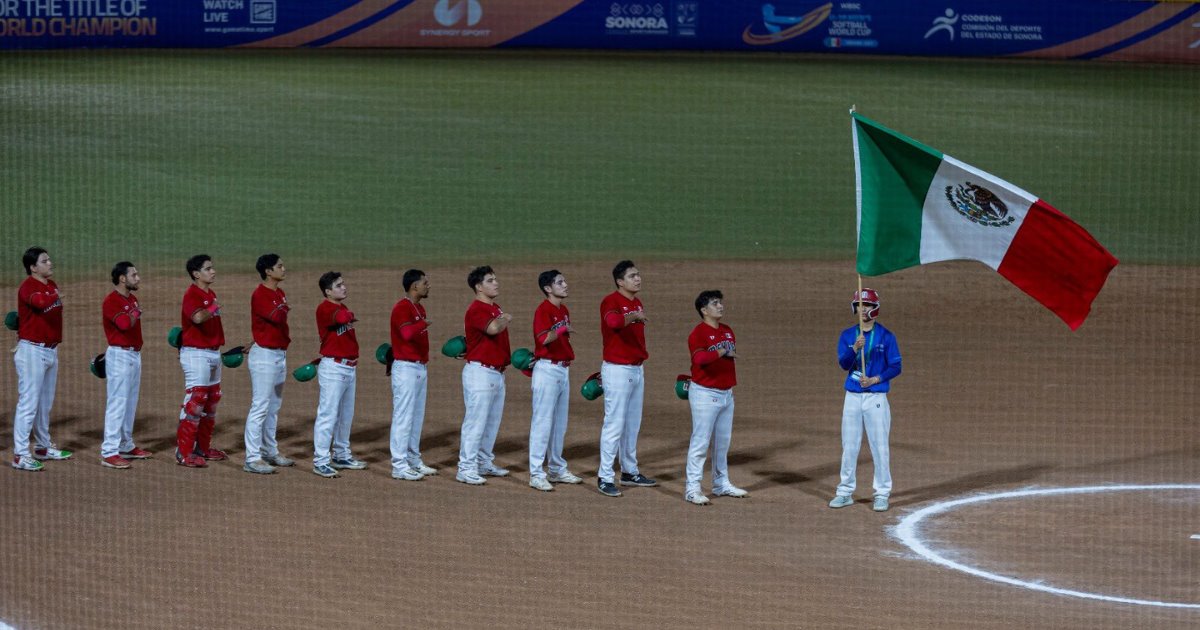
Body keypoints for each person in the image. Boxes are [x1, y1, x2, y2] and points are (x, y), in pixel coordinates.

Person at [829, 288, 901, 512]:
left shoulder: (886, 336)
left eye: (867, 305)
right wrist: (854, 349)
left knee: (879, 447)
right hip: (852, 396)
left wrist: (876, 379)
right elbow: (843, 364)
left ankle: (881, 493)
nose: (862, 309)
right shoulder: (848, 335)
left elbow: (896, 366)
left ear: (874, 308)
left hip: (876, 397)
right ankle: (844, 491)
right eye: (859, 305)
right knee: (849, 446)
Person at [596, 260, 656, 498]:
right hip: (618, 371)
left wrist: (633, 313)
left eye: (638, 274)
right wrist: (633, 316)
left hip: (635, 370)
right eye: (632, 276)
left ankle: (629, 471)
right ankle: (604, 476)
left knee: (632, 424)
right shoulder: (611, 301)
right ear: (620, 281)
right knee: (614, 424)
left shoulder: (635, 302)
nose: (638, 279)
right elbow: (612, 322)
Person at [683, 290, 749, 505]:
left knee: (722, 442)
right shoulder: (698, 333)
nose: (720, 306)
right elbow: (701, 358)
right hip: (704, 393)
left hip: (726, 393)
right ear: (704, 310)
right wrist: (721, 352)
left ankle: (721, 484)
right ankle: (692, 488)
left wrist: (722, 352)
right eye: (714, 303)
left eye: (720, 302)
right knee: (700, 442)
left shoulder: (728, 331)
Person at [11, 247, 69, 471]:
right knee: (28, 404)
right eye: (45, 261)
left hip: (50, 351)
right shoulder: (28, 287)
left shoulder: (51, 286)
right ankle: (20, 454)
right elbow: (40, 303)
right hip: (32, 352)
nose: (50, 263)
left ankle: (43, 447)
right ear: (33, 267)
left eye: (49, 259)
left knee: (44, 403)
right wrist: (54, 296)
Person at [455, 265, 512, 486]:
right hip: (480, 373)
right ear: (479, 287)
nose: (496, 283)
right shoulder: (477, 309)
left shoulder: (494, 307)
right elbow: (493, 329)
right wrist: (506, 317)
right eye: (490, 280)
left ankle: (483, 461)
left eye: (495, 279)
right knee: (475, 422)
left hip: (496, 373)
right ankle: (466, 468)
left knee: (491, 422)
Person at [527, 270, 583, 492]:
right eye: (560, 282)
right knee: (542, 423)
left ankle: (556, 469)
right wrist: (560, 330)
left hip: (562, 371)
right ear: (548, 288)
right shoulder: (543, 310)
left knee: (559, 424)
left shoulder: (563, 309)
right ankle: (536, 474)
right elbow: (542, 339)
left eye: (565, 280)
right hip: (548, 371)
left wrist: (560, 329)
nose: (566, 285)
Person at [242, 254, 295, 474]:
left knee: (273, 407)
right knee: (260, 406)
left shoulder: (278, 292)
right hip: (264, 356)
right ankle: (252, 458)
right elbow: (277, 317)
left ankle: (269, 451)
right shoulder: (260, 294)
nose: (284, 269)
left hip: (278, 354)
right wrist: (283, 308)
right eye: (279, 266)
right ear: (268, 271)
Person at [312, 271, 366, 478]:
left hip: (349, 367)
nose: (344, 287)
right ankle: (321, 461)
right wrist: (350, 315)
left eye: (343, 284)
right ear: (327, 291)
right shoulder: (326, 308)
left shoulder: (341, 306)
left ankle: (342, 455)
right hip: (334, 368)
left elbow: (345, 317)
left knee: (345, 415)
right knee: (328, 415)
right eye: (338, 285)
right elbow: (343, 318)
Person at [176, 254, 228, 468]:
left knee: (212, 399)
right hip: (196, 354)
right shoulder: (192, 294)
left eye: (212, 268)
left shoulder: (210, 293)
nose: (213, 271)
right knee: (196, 400)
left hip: (213, 353)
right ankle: (184, 452)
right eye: (208, 269)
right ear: (196, 274)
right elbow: (197, 318)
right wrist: (214, 308)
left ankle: (203, 448)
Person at [99, 261, 152, 469]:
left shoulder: (133, 299)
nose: (137, 278)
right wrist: (136, 313)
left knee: (130, 402)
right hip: (120, 356)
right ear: (122, 278)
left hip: (134, 355)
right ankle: (109, 452)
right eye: (134, 275)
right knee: (117, 403)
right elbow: (123, 324)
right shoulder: (111, 301)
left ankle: (125, 445)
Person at [388, 269, 438, 481]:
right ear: (414, 286)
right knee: (403, 417)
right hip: (406, 369)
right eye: (425, 282)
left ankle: (413, 460)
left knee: (416, 417)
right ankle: (399, 465)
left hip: (419, 368)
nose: (428, 285)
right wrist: (422, 325)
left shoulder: (419, 308)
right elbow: (406, 334)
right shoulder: (402, 307)